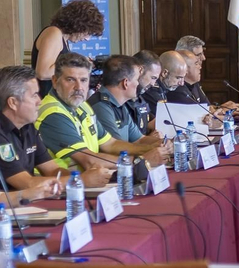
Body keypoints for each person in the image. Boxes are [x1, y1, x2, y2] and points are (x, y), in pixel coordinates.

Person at [35, 53, 154, 183]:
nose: (78, 87)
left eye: (83, 80)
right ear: (54, 81)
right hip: (62, 186)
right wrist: (139, 160)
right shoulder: (53, 113)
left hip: (88, 182)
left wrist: (152, 149)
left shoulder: (83, 106)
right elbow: (88, 160)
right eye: (70, 80)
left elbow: (110, 144)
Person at [0, 66, 73, 197]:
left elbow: (52, 170)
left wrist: (77, 177)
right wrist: (81, 181)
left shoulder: (27, 127)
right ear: (13, 102)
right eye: (34, 95)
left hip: (24, 202)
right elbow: (26, 183)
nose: (40, 101)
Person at [90, 55, 171, 156]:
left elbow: (139, 139)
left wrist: (166, 143)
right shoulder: (101, 106)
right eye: (137, 79)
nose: (138, 83)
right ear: (125, 83)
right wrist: (152, 149)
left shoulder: (119, 104)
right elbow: (115, 147)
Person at [30, 0, 105, 98]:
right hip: (45, 98)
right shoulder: (54, 33)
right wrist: (76, 64)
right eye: (87, 33)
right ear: (78, 25)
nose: (87, 38)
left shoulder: (62, 38)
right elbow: (42, 73)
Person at [173, 36, 239, 113]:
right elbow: (194, 115)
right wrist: (224, 111)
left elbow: (206, 107)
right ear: (184, 57)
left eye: (203, 53)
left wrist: (221, 108)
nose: (203, 58)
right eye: (199, 54)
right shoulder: (176, 87)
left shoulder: (193, 81)